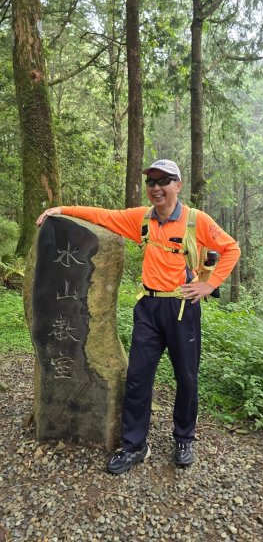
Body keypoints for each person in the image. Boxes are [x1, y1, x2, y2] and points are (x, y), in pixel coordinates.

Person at [37, 159, 240, 475]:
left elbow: (231, 249)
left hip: (181, 309)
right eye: (151, 182)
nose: (156, 188)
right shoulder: (141, 218)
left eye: (164, 181)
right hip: (148, 308)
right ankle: (134, 445)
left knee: (186, 378)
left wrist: (209, 284)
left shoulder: (196, 221)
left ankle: (184, 438)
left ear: (178, 185)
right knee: (138, 378)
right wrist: (62, 209)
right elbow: (105, 216)